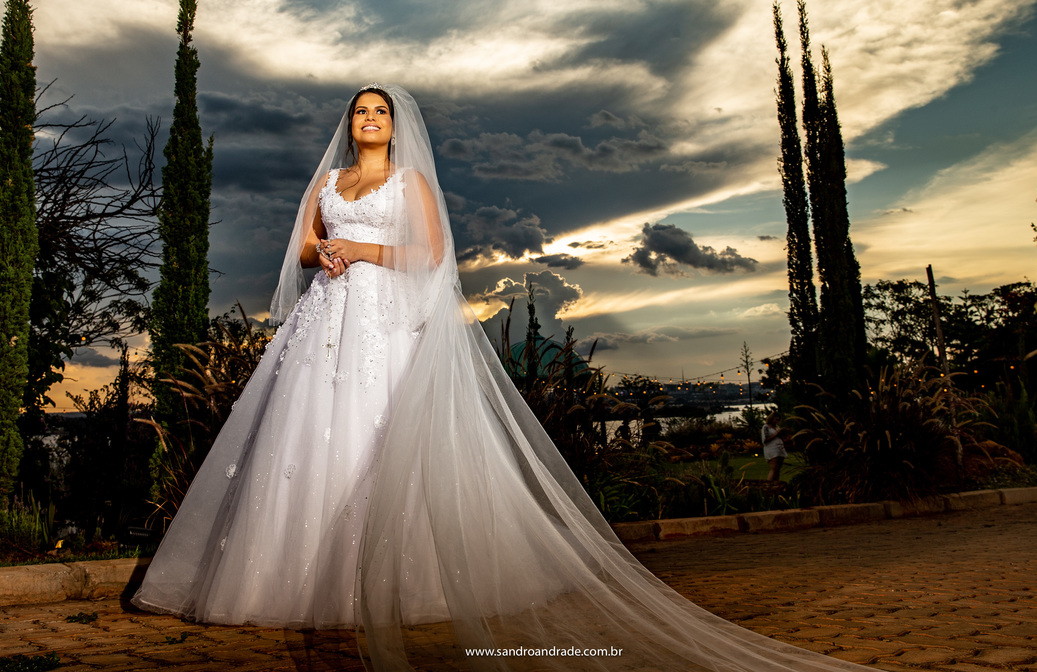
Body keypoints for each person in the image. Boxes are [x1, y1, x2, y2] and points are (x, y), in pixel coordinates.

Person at [133, 85, 871, 671]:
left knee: (380, 435)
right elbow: (301, 250)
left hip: (386, 322)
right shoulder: (326, 179)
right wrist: (324, 254)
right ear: (348, 124)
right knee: (305, 441)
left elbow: (428, 258)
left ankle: (403, 580)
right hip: (324, 322)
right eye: (360, 111)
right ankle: (289, 579)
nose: (368, 120)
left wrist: (359, 248)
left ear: (395, 127)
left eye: (380, 112)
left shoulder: (413, 182)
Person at [762, 411, 789, 482]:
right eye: (776, 419)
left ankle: (776, 484)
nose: (777, 421)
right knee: (773, 468)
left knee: (778, 469)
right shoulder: (766, 427)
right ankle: (769, 484)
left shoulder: (777, 427)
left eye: (778, 420)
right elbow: (765, 440)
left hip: (780, 449)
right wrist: (776, 434)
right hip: (772, 449)